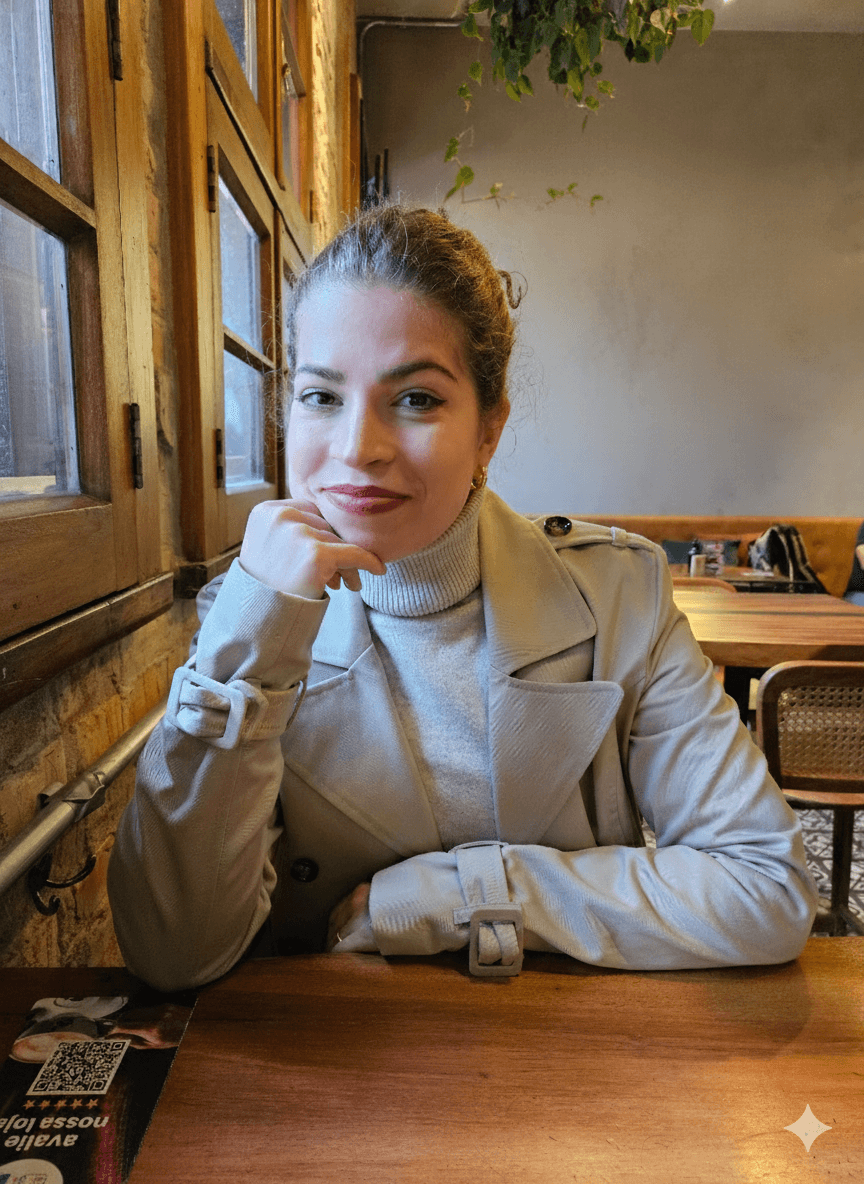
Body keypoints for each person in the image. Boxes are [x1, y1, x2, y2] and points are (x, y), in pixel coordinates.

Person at [108, 206, 817, 991]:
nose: (356, 449)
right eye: (320, 397)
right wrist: (252, 639)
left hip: (571, 1055)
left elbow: (768, 889)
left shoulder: (620, 595)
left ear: (489, 429)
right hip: (334, 1068)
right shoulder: (249, 620)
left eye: (415, 399)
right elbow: (175, 954)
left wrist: (448, 898)